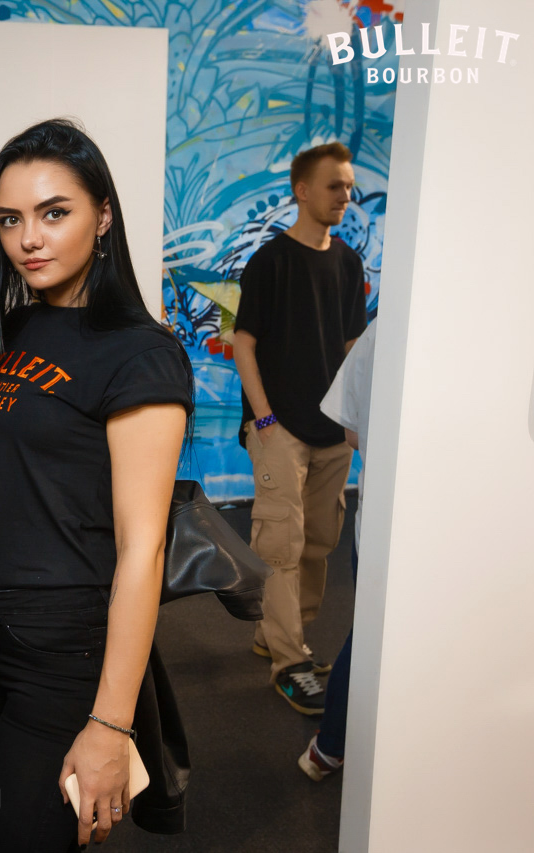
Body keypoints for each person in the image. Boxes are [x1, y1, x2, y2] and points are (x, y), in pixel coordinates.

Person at [0, 119, 193, 852]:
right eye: (9, 219)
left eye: (53, 212)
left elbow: (143, 549)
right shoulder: (9, 329)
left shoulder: (140, 353)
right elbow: (1, 445)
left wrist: (110, 725)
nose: (28, 239)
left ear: (102, 216)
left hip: (59, 650)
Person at [232, 141, 368, 715]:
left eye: (349, 186)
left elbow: (352, 346)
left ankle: (282, 635)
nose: (346, 195)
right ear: (302, 190)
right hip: (279, 427)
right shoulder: (271, 262)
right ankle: (290, 662)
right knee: (281, 548)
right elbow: (243, 343)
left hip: (333, 430)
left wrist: (357, 417)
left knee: (319, 543)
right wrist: (263, 419)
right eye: (335, 185)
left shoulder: (349, 263)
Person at [299, 317, 378, 780]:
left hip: (382, 521)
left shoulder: (382, 329)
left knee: (369, 631)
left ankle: (331, 747)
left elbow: (352, 432)